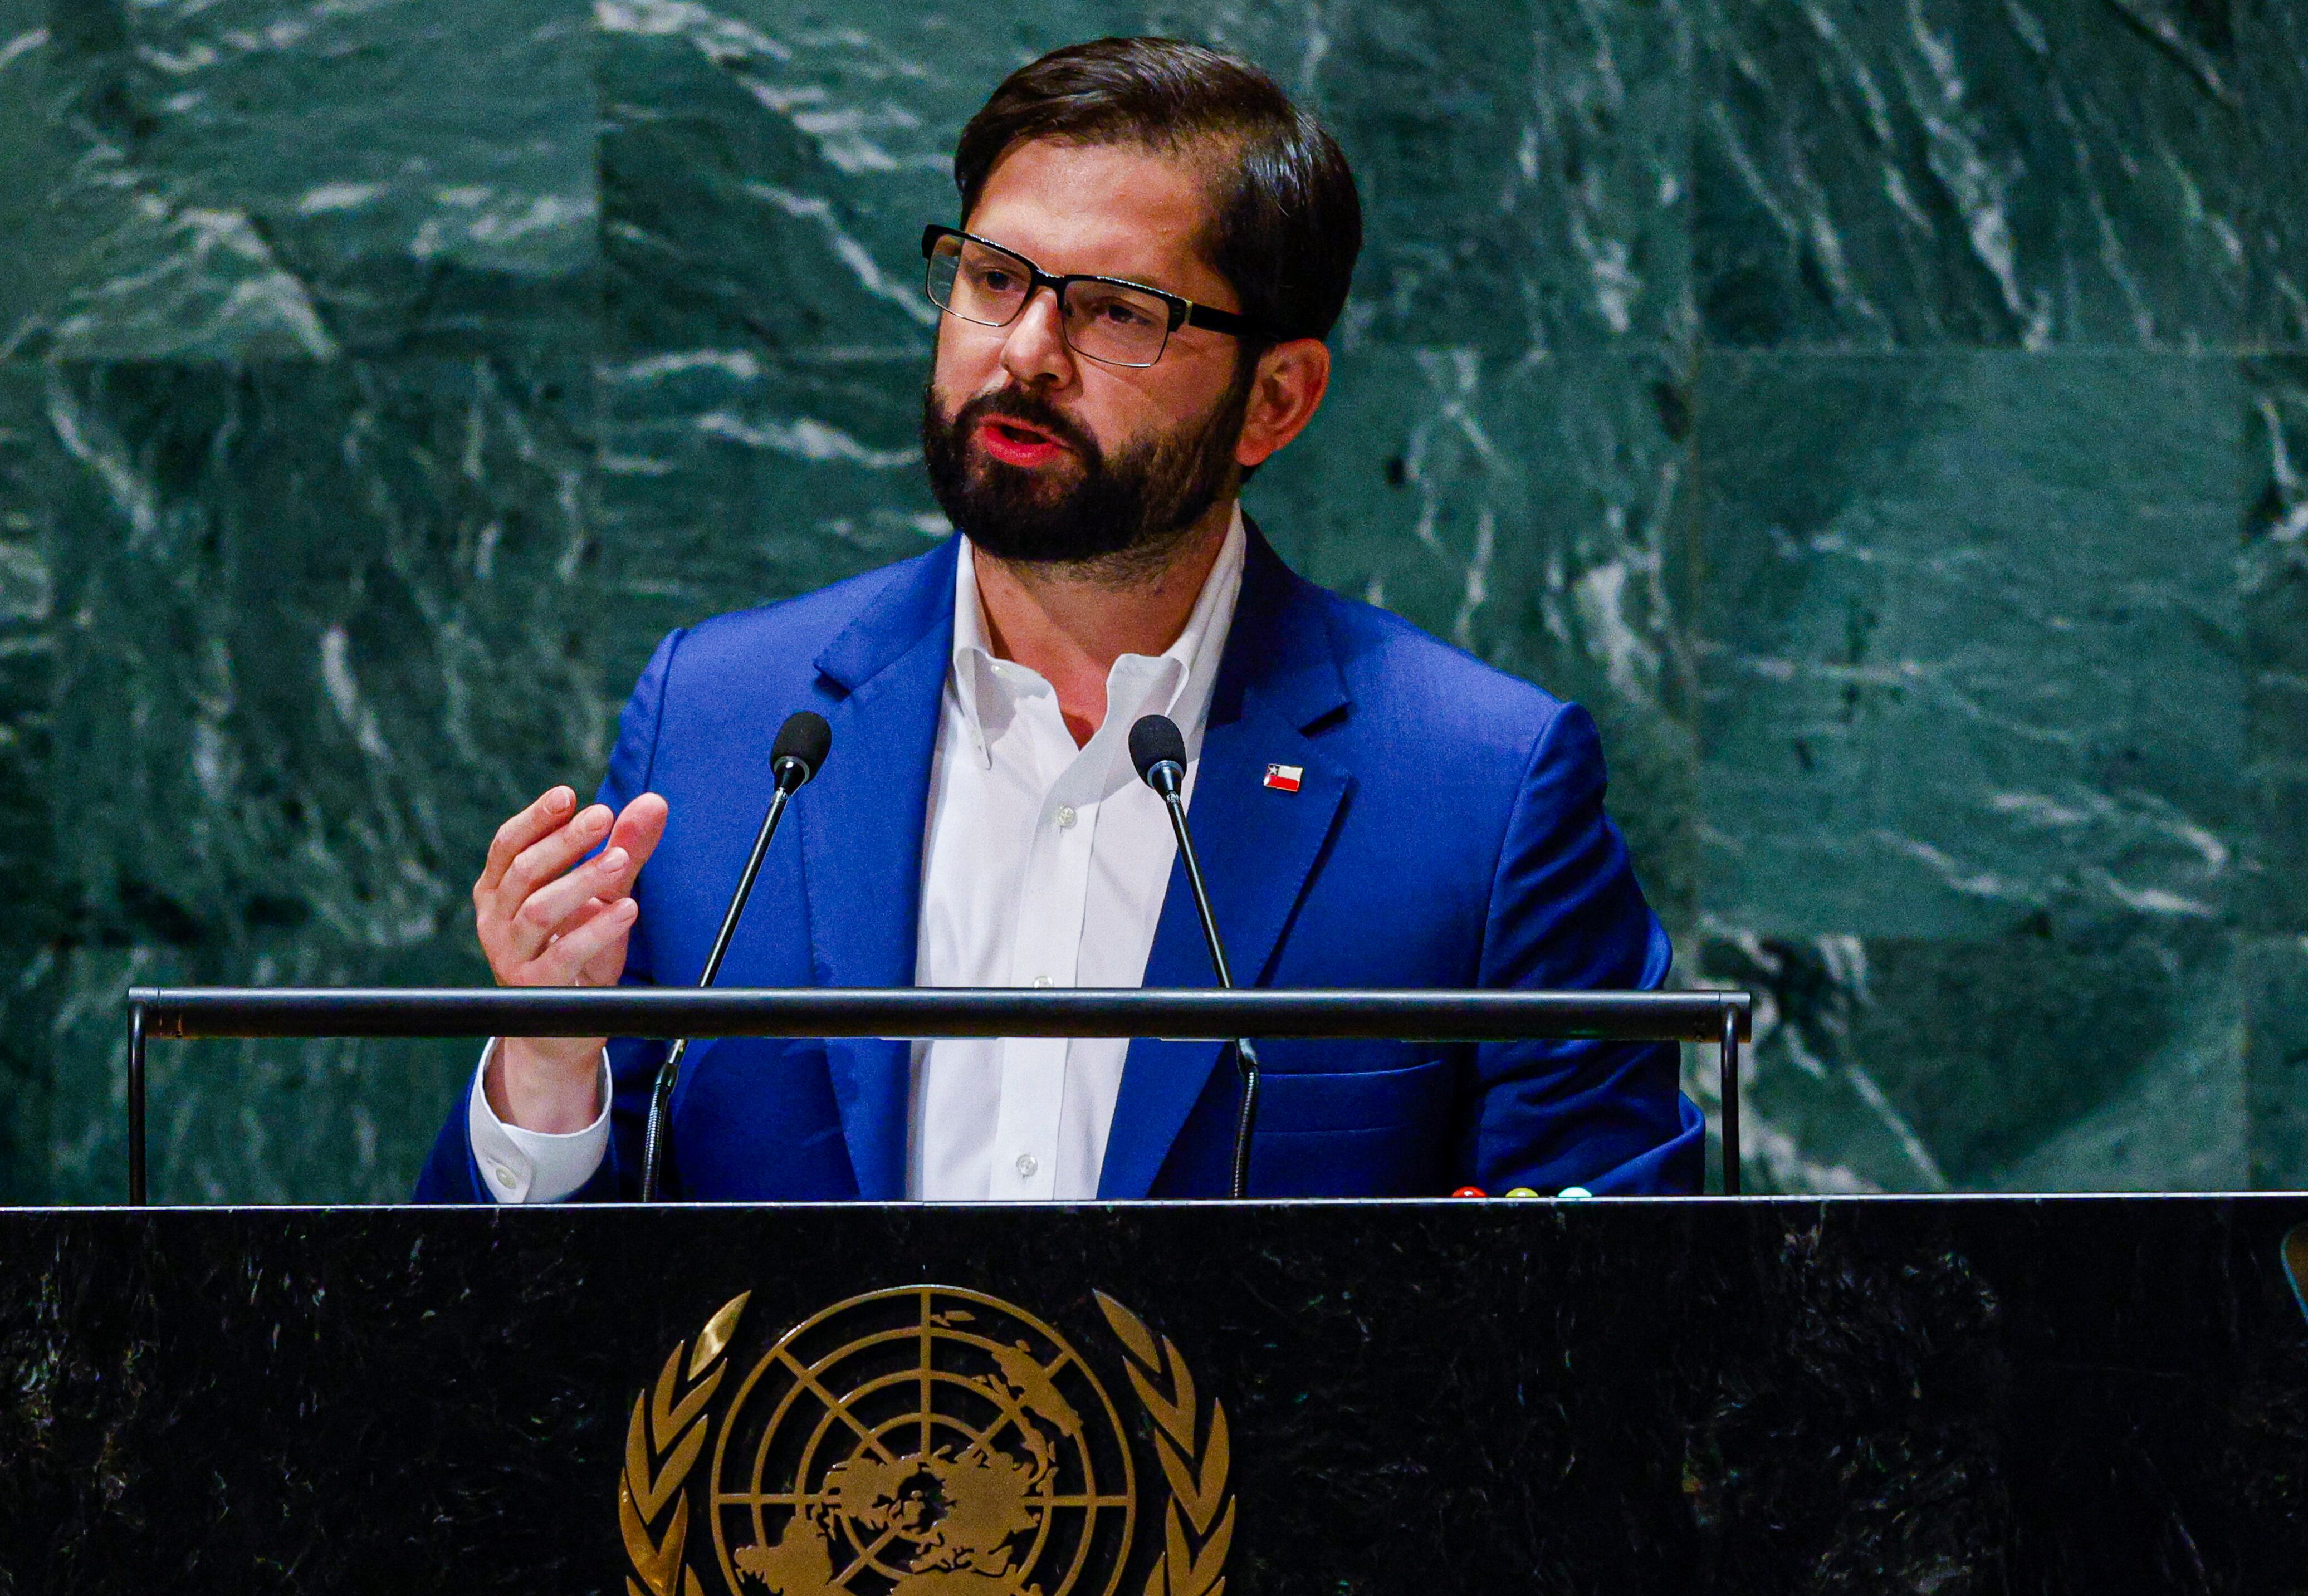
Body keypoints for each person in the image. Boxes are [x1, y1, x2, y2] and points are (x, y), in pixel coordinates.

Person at [416, 37, 1703, 1205]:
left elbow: (1620, 1289)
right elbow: (529, 1331)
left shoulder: (1480, 788)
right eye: (993, 277)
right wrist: (548, 1059)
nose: (1026, 349)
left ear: (1276, 400)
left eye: (1116, 312)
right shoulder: (726, 722)